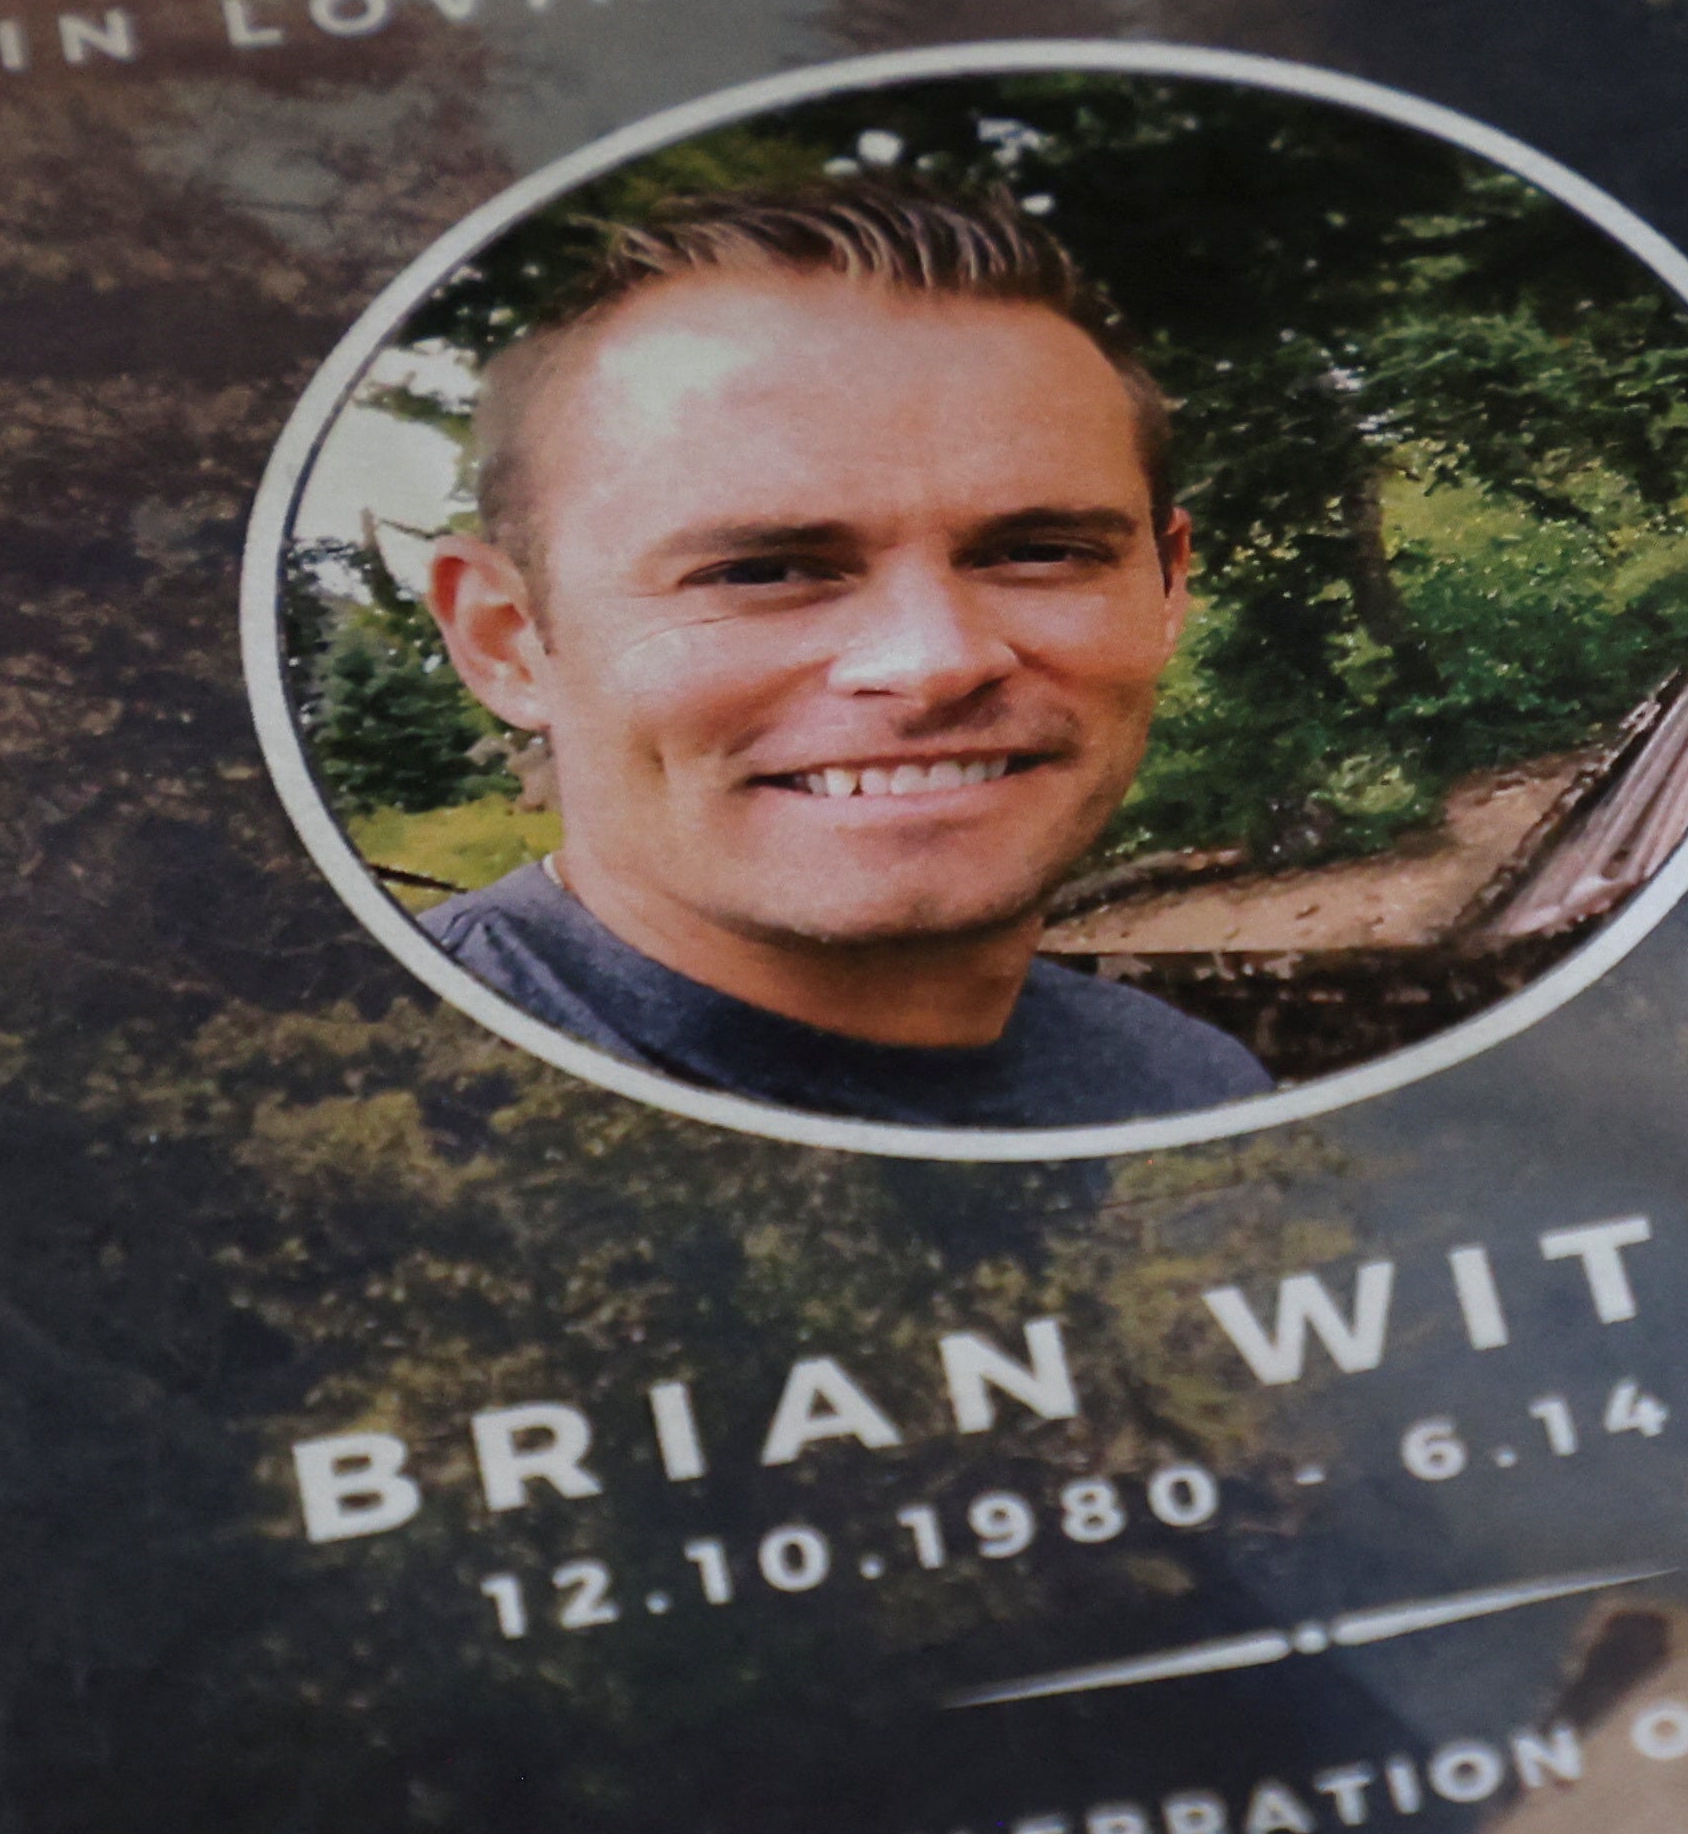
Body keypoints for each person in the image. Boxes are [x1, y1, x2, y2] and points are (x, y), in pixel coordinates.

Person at [407, 173, 1271, 1129]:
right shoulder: (325, 1150)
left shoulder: (1187, 1090)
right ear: (506, 641)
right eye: (764, 570)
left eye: (1038, 553)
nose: (935, 660)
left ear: (1166, 586)